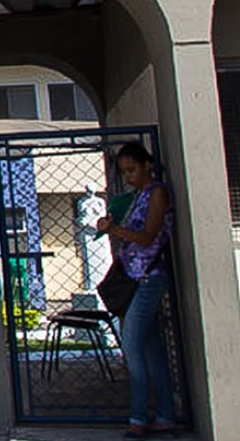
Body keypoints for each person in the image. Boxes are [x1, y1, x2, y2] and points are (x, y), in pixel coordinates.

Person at [96, 143, 177, 438]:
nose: (128, 176)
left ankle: (138, 417)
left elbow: (147, 236)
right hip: (134, 278)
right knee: (152, 349)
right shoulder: (137, 196)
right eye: (124, 172)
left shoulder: (157, 193)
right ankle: (165, 415)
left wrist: (113, 230)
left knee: (131, 346)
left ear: (147, 165)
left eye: (132, 170)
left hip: (148, 279)